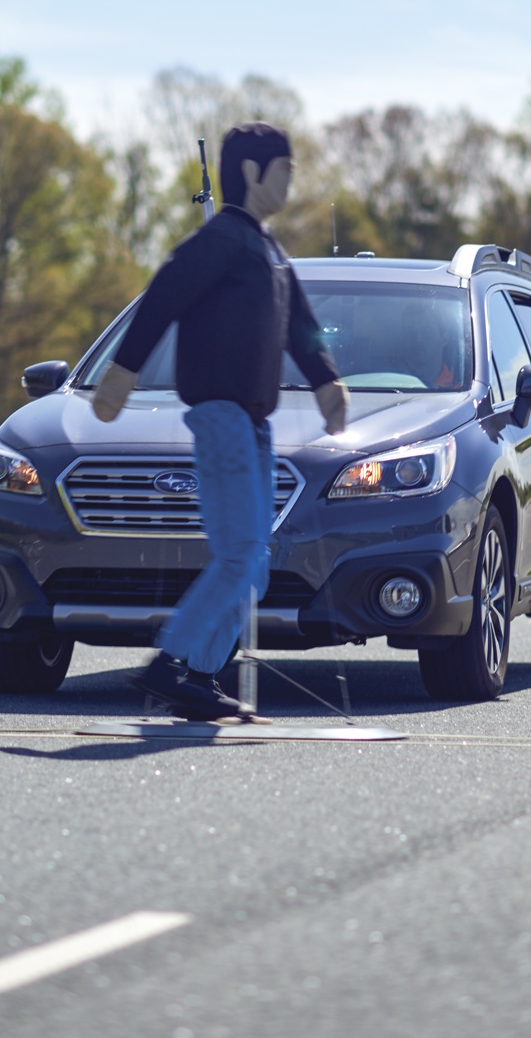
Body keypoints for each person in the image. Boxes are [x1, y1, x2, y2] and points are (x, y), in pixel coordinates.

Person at [90, 122, 349, 721]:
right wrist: (122, 372)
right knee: (239, 555)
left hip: (255, 426)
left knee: (253, 567)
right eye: (284, 170)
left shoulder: (268, 249)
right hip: (220, 416)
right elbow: (163, 297)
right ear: (254, 173)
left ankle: (199, 678)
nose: (290, 181)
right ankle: (171, 661)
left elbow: (301, 328)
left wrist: (326, 381)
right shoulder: (222, 241)